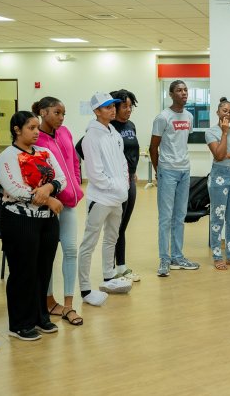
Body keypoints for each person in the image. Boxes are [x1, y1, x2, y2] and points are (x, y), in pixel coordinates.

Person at [0, 111, 66, 341]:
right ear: (17, 130)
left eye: (37, 127)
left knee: (43, 270)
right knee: (23, 272)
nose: (36, 132)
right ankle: (19, 323)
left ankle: (39, 316)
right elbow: (15, 189)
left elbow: (61, 179)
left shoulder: (44, 152)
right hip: (19, 220)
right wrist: (50, 199)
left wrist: (48, 188)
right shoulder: (8, 156)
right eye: (31, 128)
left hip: (47, 221)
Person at [34, 97, 84, 325]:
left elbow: (74, 160)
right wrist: (48, 198)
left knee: (71, 250)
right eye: (57, 112)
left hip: (69, 203)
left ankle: (69, 305)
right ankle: (48, 300)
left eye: (63, 113)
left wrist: (76, 184)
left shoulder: (64, 132)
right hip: (48, 205)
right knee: (48, 254)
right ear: (43, 112)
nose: (61, 118)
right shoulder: (36, 138)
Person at [78, 92, 132, 305]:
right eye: (107, 107)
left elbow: (122, 163)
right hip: (100, 199)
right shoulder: (91, 137)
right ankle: (85, 289)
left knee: (112, 237)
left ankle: (109, 277)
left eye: (113, 106)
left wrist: (124, 185)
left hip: (117, 197)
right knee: (89, 243)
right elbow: (95, 174)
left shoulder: (114, 133)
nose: (112, 110)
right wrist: (116, 187)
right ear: (96, 111)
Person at [150, 80, 200, 277]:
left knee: (180, 216)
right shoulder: (163, 117)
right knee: (165, 217)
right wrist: (159, 171)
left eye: (185, 90)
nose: (184, 93)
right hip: (167, 170)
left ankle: (178, 257)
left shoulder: (189, 116)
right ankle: (164, 259)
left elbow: (182, 141)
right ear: (171, 94)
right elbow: (153, 147)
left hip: (184, 170)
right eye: (179, 90)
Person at [205, 97, 230, 270]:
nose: (228, 114)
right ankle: (217, 256)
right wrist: (224, 132)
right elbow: (219, 155)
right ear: (217, 112)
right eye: (224, 111)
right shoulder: (211, 132)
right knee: (217, 218)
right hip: (219, 178)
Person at [109, 89, 140, 282]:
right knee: (114, 227)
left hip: (130, 180)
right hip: (116, 182)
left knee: (122, 226)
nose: (128, 110)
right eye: (124, 106)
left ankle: (121, 266)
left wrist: (133, 171)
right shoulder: (108, 127)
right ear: (114, 107)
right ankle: (110, 270)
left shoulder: (131, 125)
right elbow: (82, 148)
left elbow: (132, 150)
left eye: (130, 106)